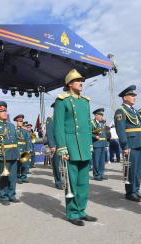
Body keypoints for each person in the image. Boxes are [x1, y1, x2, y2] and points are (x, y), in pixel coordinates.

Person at [54, 69, 97, 226]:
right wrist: (62, 147)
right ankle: (72, 213)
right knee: (71, 182)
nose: (81, 83)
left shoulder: (85, 101)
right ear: (70, 84)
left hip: (84, 146)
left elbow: (87, 125)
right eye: (78, 80)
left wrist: (90, 144)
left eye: (82, 80)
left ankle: (81, 210)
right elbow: (58, 127)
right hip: (70, 147)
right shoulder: (62, 100)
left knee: (84, 183)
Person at [114, 85, 141, 202]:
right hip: (131, 144)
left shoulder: (134, 111)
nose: (135, 97)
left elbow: (140, 128)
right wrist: (125, 146)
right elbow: (120, 130)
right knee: (131, 169)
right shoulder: (121, 111)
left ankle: (136, 190)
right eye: (132, 95)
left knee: (138, 169)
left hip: (139, 143)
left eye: (134, 95)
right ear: (124, 97)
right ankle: (130, 192)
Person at [0, 101, 20, 205]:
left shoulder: (11, 125)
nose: (4, 112)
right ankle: (4, 196)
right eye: (1, 111)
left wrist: (18, 154)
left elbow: (15, 140)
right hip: (3, 155)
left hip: (13, 154)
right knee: (4, 177)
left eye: (5, 110)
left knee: (13, 177)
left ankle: (12, 194)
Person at [46, 102, 62, 189]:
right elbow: (49, 134)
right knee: (56, 165)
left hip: (64, 145)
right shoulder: (50, 119)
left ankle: (67, 180)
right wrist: (52, 145)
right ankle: (58, 182)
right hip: (56, 146)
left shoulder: (63, 119)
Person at [14, 114, 32, 184]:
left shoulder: (25, 131)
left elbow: (28, 140)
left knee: (25, 164)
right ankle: (18, 177)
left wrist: (28, 149)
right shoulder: (14, 130)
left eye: (21, 121)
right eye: (19, 121)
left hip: (24, 149)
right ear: (16, 122)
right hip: (17, 149)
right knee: (18, 165)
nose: (20, 123)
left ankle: (24, 177)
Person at [91, 108, 108, 181]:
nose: (101, 117)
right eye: (100, 115)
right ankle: (96, 175)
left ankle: (101, 174)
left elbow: (104, 135)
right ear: (96, 115)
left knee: (102, 161)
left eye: (102, 115)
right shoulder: (91, 123)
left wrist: (106, 144)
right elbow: (88, 133)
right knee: (96, 160)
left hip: (102, 144)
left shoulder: (101, 124)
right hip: (96, 144)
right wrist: (95, 136)